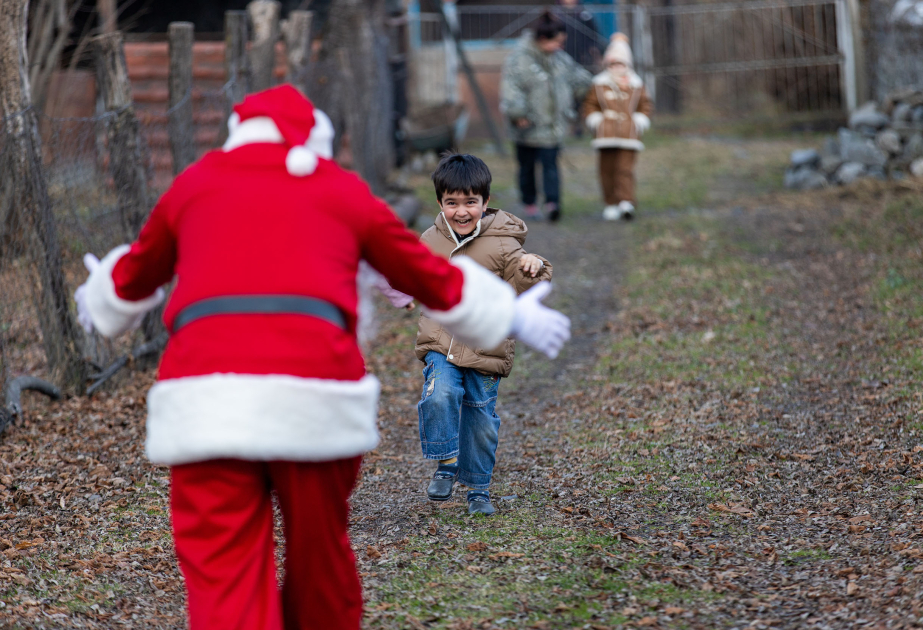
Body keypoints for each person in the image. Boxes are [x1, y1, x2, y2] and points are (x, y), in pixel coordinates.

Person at [72, 85, 571, 630]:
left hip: (204, 400)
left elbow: (125, 288)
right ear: (317, 140)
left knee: (223, 572)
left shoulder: (195, 184)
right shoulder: (340, 190)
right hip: (316, 396)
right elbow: (421, 271)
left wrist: (99, 294)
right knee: (321, 561)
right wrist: (512, 316)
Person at [414, 153, 552, 515]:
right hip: (441, 342)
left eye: (470, 202)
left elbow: (523, 287)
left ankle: (478, 490)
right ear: (441, 202)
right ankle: (446, 461)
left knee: (479, 419)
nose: (461, 212)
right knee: (439, 394)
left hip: (487, 346)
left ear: (485, 202)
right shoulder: (430, 240)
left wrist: (531, 268)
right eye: (452, 203)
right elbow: (412, 274)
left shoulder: (503, 242)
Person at [500, 11, 592, 222]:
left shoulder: (560, 59)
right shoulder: (519, 59)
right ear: (543, 39)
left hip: (552, 126)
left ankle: (553, 203)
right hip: (527, 126)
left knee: (551, 165)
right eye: (558, 42)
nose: (561, 46)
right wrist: (518, 113)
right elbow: (511, 88)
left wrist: (595, 86)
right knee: (527, 167)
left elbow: (578, 78)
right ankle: (530, 202)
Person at [582, 33, 653, 221]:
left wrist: (639, 120)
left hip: (629, 136)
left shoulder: (636, 85)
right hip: (605, 135)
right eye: (612, 64)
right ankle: (610, 202)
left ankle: (626, 201)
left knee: (625, 169)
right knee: (606, 170)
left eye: (620, 64)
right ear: (607, 65)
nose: (616, 68)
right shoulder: (599, 85)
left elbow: (645, 105)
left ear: (627, 65)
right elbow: (590, 106)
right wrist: (596, 120)